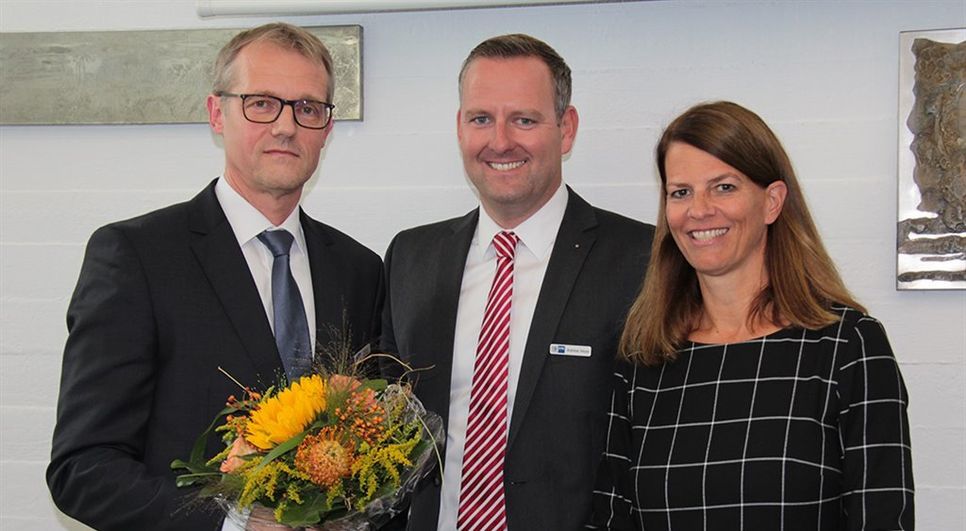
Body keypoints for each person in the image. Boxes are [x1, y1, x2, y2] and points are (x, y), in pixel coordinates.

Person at [46, 23, 384, 531]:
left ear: (326, 129)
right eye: (262, 103)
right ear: (216, 114)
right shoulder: (137, 256)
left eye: (308, 108)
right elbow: (83, 469)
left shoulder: (360, 269)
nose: (286, 126)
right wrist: (235, 523)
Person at [588, 101, 914, 530]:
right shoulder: (643, 358)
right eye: (680, 192)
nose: (699, 210)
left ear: (772, 201)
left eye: (723, 187)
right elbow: (611, 518)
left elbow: (882, 518)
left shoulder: (847, 347)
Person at [380, 34, 655, 530]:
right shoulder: (410, 257)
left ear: (566, 129)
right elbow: (383, 427)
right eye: (480, 118)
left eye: (524, 120)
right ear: (459, 127)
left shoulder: (641, 259)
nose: (500, 140)